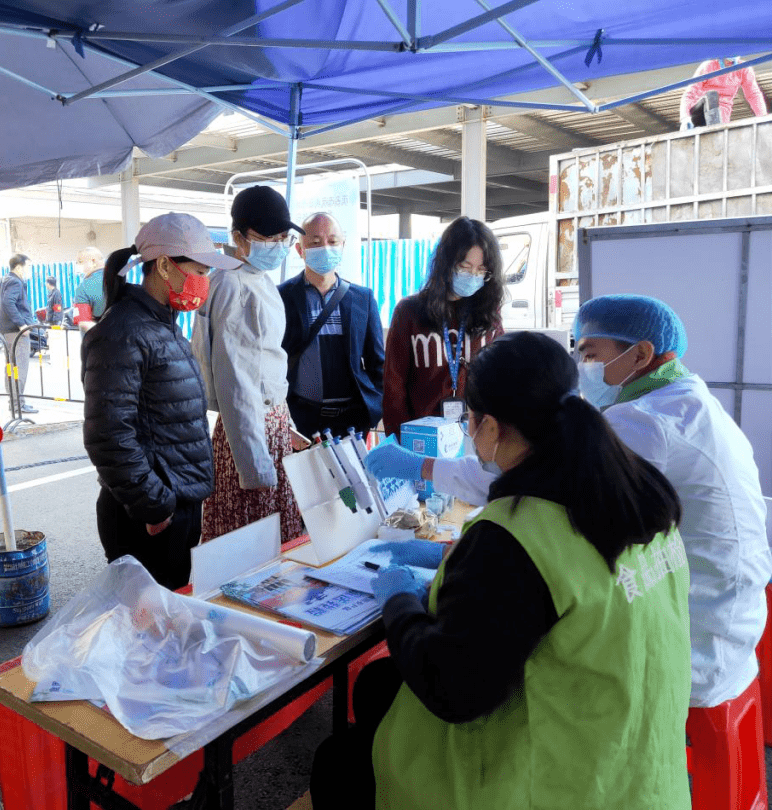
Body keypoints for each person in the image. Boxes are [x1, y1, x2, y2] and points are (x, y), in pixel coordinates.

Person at [315, 331, 690, 809]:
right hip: (643, 767)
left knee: (339, 764)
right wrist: (463, 563)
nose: (471, 436)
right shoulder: (636, 492)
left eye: (470, 422)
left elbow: (450, 689)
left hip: (558, 783)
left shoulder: (515, 535)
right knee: (376, 688)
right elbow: (557, 587)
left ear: (490, 428)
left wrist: (399, 599)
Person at [395, 294, 772, 709]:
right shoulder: (683, 402)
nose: (582, 366)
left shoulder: (643, 424)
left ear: (641, 354)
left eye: (589, 353)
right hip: (720, 619)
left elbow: (533, 488)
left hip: (691, 643)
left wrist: (435, 570)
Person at [81, 213, 238, 589]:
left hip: (172, 505)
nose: (204, 281)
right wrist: (154, 503)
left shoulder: (159, 324)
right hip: (148, 517)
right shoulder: (123, 332)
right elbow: (108, 435)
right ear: (165, 266)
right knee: (147, 629)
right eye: (199, 269)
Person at [191, 185, 304, 544]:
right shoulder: (233, 285)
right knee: (255, 548)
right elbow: (235, 381)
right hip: (250, 436)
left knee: (271, 543)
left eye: (283, 236)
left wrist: (285, 425)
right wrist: (254, 468)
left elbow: (262, 364)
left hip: (267, 428)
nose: (277, 243)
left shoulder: (253, 278)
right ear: (238, 237)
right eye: (266, 235)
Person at [382, 217, 505, 434]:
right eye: (465, 267)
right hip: (421, 437)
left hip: (475, 438)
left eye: (481, 270)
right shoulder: (409, 312)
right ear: (446, 263)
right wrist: (401, 441)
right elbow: (394, 387)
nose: (473, 276)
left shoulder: (490, 316)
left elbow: (501, 383)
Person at [278, 212, 384, 439]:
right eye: (315, 242)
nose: (325, 247)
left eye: (332, 241)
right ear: (300, 250)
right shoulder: (281, 297)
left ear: (343, 246)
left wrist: (373, 409)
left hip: (352, 422)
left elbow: (378, 363)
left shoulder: (362, 298)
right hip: (301, 420)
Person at [0, 254, 37, 414]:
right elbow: (8, 301)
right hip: (16, 333)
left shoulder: (1, 281)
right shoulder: (16, 281)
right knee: (19, 369)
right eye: (27, 267)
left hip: (5, 333)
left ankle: (14, 403)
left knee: (10, 368)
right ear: (19, 267)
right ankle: (18, 405)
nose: (29, 271)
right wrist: (22, 324)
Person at [680, 57, 767, 127]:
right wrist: (685, 118)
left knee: (721, 112)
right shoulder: (708, 65)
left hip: (721, 117)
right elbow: (690, 93)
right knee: (712, 96)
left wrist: (763, 118)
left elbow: (753, 95)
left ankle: (716, 125)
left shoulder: (744, 68)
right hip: (700, 113)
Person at [72, 246, 106, 332]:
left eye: (80, 262)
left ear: (93, 261)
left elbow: (84, 322)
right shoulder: (121, 279)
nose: (78, 265)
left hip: (98, 342)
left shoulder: (83, 288)